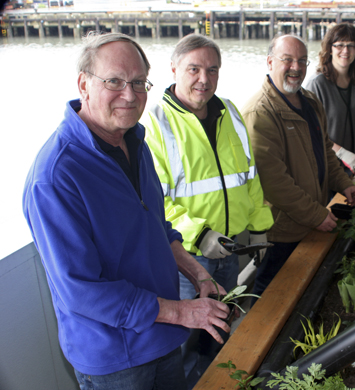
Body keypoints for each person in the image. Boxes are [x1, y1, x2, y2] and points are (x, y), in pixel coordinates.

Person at [22, 32, 231, 390]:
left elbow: (158, 229)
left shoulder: (135, 141)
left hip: (164, 334)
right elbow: (81, 289)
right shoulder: (56, 176)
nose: (130, 95)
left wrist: (198, 275)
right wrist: (181, 311)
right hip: (115, 359)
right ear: (83, 84)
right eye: (114, 81)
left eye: (138, 82)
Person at [142, 33, 274, 386]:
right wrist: (199, 234)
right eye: (194, 69)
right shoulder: (155, 123)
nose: (205, 78)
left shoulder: (229, 111)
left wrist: (259, 227)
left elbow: (250, 175)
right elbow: (155, 202)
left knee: (221, 329)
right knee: (186, 343)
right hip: (187, 260)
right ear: (173, 69)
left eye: (212, 70)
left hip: (230, 248)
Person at [241, 34, 355, 301]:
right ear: (270, 62)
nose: (296, 68)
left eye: (302, 61)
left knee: (301, 292)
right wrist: (316, 215)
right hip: (281, 229)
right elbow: (275, 184)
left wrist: (344, 184)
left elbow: (325, 151)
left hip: (311, 218)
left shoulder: (310, 102)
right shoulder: (259, 113)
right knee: (269, 294)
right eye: (287, 60)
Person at [306, 23, 355, 178]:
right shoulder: (317, 84)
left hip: (353, 166)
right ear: (330, 49)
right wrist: (341, 153)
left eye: (351, 45)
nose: (345, 51)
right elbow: (311, 133)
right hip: (325, 169)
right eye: (339, 45)